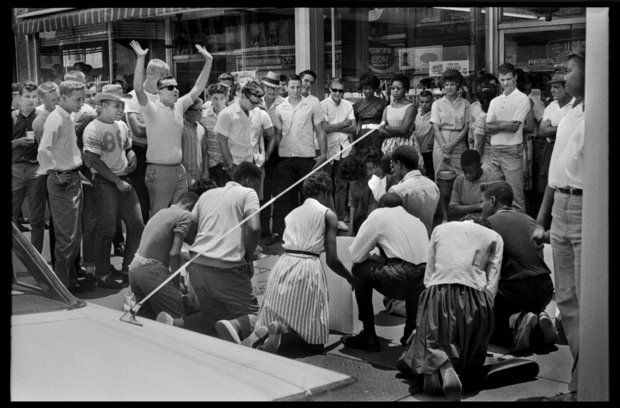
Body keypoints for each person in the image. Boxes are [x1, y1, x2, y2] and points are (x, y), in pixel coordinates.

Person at [220, 172, 354, 353]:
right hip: (307, 267)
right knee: (312, 339)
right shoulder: (328, 215)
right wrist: (350, 277)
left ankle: (267, 331)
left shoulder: (292, 214)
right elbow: (332, 260)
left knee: (278, 311)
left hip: (283, 264)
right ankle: (281, 333)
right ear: (325, 192)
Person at [531, 44, 585, 402]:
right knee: (566, 299)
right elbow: (554, 176)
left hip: (585, 208)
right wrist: (541, 219)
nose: (565, 77)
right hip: (562, 206)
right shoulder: (570, 113)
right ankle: (579, 383)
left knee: (587, 300)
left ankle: (583, 385)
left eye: (570, 69)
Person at [397, 217, 503, 400]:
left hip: (439, 288)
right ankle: (449, 369)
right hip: (476, 295)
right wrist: (486, 309)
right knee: (469, 351)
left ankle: (443, 366)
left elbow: (429, 273)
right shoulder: (495, 236)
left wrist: (430, 301)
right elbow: (492, 279)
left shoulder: (440, 229)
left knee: (430, 334)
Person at [130, 40, 213, 217]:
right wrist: (140, 59)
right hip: (159, 171)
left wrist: (209, 61)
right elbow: (138, 89)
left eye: (176, 87)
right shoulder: (151, 108)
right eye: (170, 87)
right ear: (159, 92)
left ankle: (176, 246)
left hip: (178, 170)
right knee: (159, 216)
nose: (175, 90)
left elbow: (198, 87)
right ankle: (156, 245)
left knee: (182, 213)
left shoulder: (179, 106)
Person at [181, 162, 262, 338]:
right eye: (258, 186)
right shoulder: (248, 193)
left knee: (214, 316)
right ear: (248, 180)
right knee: (255, 315)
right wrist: (248, 257)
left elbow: (188, 230)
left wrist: (208, 247)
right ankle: (236, 328)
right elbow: (254, 228)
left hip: (197, 266)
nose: (260, 192)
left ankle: (177, 324)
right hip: (227, 268)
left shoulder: (208, 194)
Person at [344, 193, 429, 351]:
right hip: (424, 277)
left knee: (359, 270)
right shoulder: (416, 220)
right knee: (414, 275)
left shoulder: (378, 215)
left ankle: (368, 335)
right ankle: (410, 335)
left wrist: (371, 256)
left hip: (401, 275)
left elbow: (355, 255)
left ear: (380, 206)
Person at [480, 181, 556, 352]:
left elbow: (483, 267)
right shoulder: (530, 220)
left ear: (492, 200)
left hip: (514, 292)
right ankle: (539, 319)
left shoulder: (488, 223)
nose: (481, 207)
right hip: (544, 289)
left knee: (484, 326)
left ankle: (518, 321)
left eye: (482, 202)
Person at [82, 87, 144, 288]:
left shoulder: (121, 125)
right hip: (106, 182)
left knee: (136, 225)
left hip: (124, 180)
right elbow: (93, 160)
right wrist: (117, 181)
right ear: (103, 106)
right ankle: (102, 273)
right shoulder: (93, 128)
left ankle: (128, 269)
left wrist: (131, 156)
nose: (121, 108)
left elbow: (128, 148)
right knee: (106, 229)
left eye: (122, 105)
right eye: (117, 105)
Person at [37, 80, 86, 289]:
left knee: (73, 237)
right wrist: (55, 173)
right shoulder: (55, 119)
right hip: (63, 181)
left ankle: (69, 281)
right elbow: (43, 150)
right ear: (63, 98)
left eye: (83, 98)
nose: (82, 103)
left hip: (72, 178)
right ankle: (61, 287)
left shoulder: (67, 117)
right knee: (67, 239)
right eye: (78, 99)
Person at [268, 74, 328, 245]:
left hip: (306, 157)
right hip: (285, 158)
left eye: (298, 87)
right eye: (292, 87)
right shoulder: (280, 107)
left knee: (308, 196)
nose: (295, 90)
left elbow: (320, 130)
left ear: (302, 88)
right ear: (285, 88)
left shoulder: (312, 104)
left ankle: (310, 233)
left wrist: (323, 154)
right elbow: (277, 134)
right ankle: (282, 233)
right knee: (284, 197)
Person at [129, 192, 199, 322]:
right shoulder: (186, 215)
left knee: (145, 319)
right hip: (152, 271)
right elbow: (174, 253)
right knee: (177, 319)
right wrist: (176, 283)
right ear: (191, 207)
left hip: (134, 268)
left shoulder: (162, 212)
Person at [125, 55, 170, 224]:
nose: (165, 79)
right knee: (142, 203)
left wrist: (149, 125)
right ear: (150, 72)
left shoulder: (164, 96)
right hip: (141, 154)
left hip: (162, 155)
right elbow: (137, 130)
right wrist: (161, 125)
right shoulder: (133, 97)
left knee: (161, 204)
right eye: (163, 75)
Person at [486, 62, 530, 213]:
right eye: (502, 79)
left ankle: (522, 233)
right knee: (496, 194)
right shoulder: (494, 101)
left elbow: (514, 127)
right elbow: (487, 127)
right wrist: (504, 124)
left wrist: (496, 123)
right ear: (498, 79)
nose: (505, 83)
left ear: (515, 77)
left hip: (511, 149)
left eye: (509, 79)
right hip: (495, 149)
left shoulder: (522, 98)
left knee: (516, 196)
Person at [430, 69, 471, 223]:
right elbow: (435, 128)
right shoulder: (437, 104)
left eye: (452, 84)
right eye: (446, 84)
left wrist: (452, 144)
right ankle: (445, 217)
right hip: (441, 144)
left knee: (462, 180)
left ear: (458, 86)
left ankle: (461, 216)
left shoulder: (465, 103)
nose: (449, 87)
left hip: (459, 143)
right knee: (442, 182)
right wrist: (444, 147)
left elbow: (466, 127)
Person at [12, 82, 47, 253]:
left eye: (34, 97)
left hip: (36, 168)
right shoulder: (12, 117)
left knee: (37, 218)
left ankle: (37, 259)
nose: (31, 100)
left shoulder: (42, 117)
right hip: (16, 168)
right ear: (19, 97)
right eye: (27, 96)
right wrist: (17, 142)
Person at [534, 71, 575, 214]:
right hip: (551, 148)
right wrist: (563, 127)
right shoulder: (551, 106)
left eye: (556, 87)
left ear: (567, 87)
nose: (552, 90)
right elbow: (542, 131)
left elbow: (574, 130)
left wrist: (553, 128)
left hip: (568, 149)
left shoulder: (575, 105)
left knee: (566, 184)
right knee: (548, 184)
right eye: (552, 87)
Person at [321, 77, 357, 230]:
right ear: (329, 90)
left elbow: (353, 127)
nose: (337, 93)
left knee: (341, 185)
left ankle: (340, 219)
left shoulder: (348, 104)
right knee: (327, 186)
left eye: (340, 90)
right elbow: (325, 128)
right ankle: (328, 219)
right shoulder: (322, 105)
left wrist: (334, 126)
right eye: (334, 90)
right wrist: (343, 124)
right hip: (328, 149)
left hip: (344, 148)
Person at [388, 145, 440, 237]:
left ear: (399, 164)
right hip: (427, 240)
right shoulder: (433, 185)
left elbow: (390, 224)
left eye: (394, 165)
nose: (394, 169)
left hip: (405, 244)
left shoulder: (396, 190)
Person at [259, 71, 286, 238]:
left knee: (278, 192)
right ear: (264, 87)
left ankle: (277, 229)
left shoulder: (283, 104)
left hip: (278, 152)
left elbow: (280, 132)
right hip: (259, 150)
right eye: (269, 88)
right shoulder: (257, 101)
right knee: (262, 192)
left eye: (275, 89)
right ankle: (263, 229)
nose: (271, 91)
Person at [448, 150, 499, 219]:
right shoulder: (459, 180)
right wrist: (478, 206)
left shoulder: (492, 181)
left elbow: (496, 209)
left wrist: (470, 213)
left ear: (480, 165)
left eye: (471, 172)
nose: (467, 175)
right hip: (464, 223)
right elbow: (452, 209)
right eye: (465, 171)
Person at [375, 73, 416, 155]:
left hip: (406, 146)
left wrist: (387, 127)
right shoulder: (388, 108)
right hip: (389, 146)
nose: (395, 91)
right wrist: (398, 133)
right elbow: (380, 131)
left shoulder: (410, 107)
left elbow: (404, 130)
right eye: (393, 88)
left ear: (405, 89)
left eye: (399, 88)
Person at [200, 83, 230, 187]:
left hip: (229, 164)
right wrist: (205, 170)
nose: (218, 102)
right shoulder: (203, 116)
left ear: (226, 98)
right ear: (209, 98)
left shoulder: (232, 115)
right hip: (211, 164)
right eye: (215, 98)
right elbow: (203, 143)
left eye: (222, 98)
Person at [353, 73, 388, 155]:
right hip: (361, 137)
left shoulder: (383, 103)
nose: (368, 91)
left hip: (377, 136)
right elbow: (353, 127)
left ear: (375, 88)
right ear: (362, 89)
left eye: (370, 88)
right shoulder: (357, 105)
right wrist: (353, 144)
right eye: (365, 88)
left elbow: (386, 124)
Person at [341, 154, 376, 236]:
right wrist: (351, 228)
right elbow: (353, 202)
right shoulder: (353, 180)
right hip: (363, 211)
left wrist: (366, 232)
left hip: (375, 213)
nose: (352, 181)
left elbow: (373, 206)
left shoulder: (372, 178)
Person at [181, 97, 209, 192]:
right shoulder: (180, 129)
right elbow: (177, 157)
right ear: (186, 112)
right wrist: (188, 178)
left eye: (202, 110)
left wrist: (206, 172)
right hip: (182, 180)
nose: (201, 113)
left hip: (199, 179)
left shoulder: (201, 129)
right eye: (198, 110)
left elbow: (205, 153)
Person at [472, 80, 498, 171]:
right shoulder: (498, 113)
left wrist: (475, 163)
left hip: (486, 159)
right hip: (500, 157)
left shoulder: (482, 117)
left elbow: (479, 144)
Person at [413, 90, 435, 179]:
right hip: (416, 151)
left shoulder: (435, 114)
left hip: (429, 151)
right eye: (422, 102)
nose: (424, 104)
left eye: (427, 102)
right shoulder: (416, 113)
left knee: (430, 175)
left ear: (432, 101)